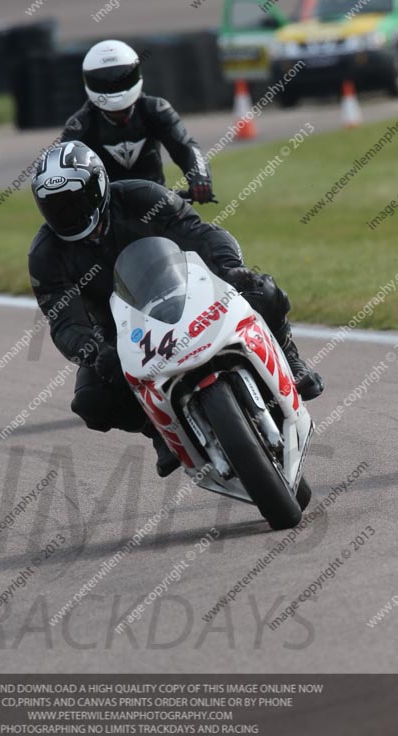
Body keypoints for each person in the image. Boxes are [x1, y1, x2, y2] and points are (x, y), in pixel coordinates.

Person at [28, 141, 323, 477]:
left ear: (97, 187)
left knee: (263, 290)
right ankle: (157, 430)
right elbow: (63, 321)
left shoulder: (142, 196)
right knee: (91, 402)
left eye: (73, 202)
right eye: (55, 207)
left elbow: (200, 233)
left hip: (185, 289)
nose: (66, 214)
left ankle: (290, 358)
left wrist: (229, 269)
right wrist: (92, 350)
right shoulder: (45, 255)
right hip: (119, 332)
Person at [59, 39, 214, 204]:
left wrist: (200, 178)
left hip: (156, 204)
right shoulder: (81, 124)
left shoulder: (156, 110)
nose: (115, 88)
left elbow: (185, 146)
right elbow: (62, 170)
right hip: (107, 210)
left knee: (196, 228)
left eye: (121, 79)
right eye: (106, 82)